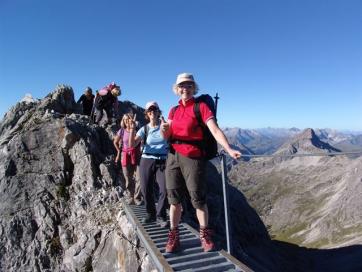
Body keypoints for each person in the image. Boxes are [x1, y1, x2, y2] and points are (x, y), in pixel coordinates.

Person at [160, 73, 241, 253]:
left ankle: (205, 235)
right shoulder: (173, 110)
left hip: (193, 157)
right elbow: (167, 136)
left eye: (189, 85)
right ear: (177, 89)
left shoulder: (201, 107)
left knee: (198, 199)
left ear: (193, 88)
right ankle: (174, 235)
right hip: (173, 155)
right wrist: (163, 130)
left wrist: (228, 149)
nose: (185, 89)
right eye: (182, 86)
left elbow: (214, 130)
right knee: (173, 199)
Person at [129, 101, 169, 228]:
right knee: (146, 189)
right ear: (147, 114)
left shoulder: (165, 126)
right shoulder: (144, 129)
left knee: (164, 189)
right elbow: (132, 145)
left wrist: (166, 129)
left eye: (155, 110)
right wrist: (131, 129)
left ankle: (161, 216)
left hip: (162, 160)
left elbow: (170, 139)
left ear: (158, 112)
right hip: (146, 160)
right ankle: (150, 213)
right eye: (150, 110)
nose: (152, 112)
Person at [113, 113, 143, 205]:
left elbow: (141, 141)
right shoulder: (121, 131)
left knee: (139, 178)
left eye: (128, 119)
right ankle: (131, 195)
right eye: (125, 119)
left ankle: (137, 197)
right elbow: (115, 142)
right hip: (125, 155)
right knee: (128, 177)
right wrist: (118, 153)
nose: (126, 121)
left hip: (137, 154)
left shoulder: (137, 130)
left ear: (131, 120)